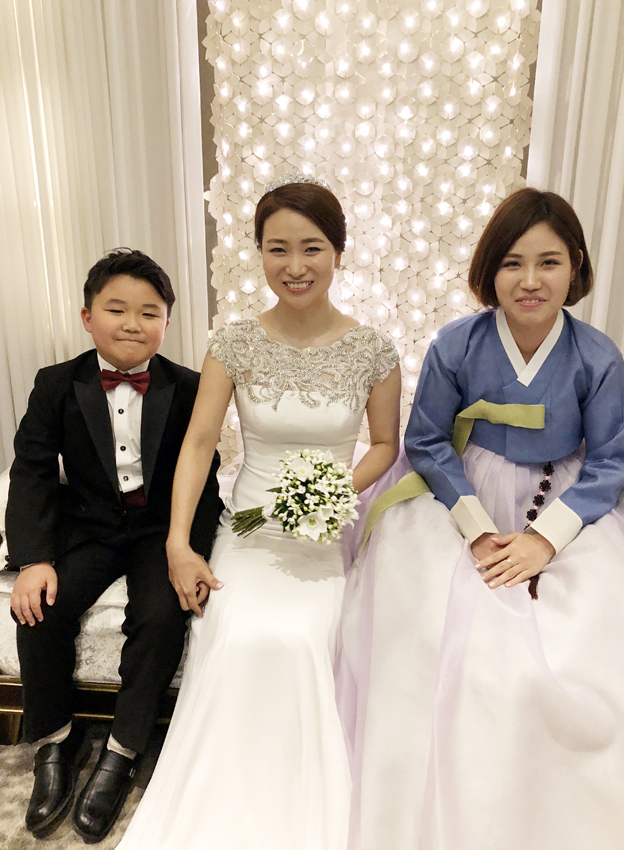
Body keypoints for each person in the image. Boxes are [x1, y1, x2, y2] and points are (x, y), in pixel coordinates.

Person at [116, 171, 401, 850]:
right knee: (243, 632)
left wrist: (333, 493)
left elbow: (386, 445)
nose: (294, 266)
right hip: (246, 531)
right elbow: (200, 444)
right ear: (260, 254)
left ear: (338, 253)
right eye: (278, 249)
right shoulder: (234, 342)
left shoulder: (372, 349)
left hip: (324, 534)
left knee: (299, 638)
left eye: (311, 248)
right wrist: (179, 544)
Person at [340, 188, 624, 849]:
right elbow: (427, 441)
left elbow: (611, 462)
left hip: (563, 501)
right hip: (457, 492)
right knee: (423, 633)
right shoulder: (456, 344)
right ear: (489, 269)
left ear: (576, 267)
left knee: (578, 646)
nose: (530, 281)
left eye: (549, 262)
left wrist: (544, 541)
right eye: (512, 263)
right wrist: (475, 527)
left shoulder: (598, 356)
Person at [6, 249, 222, 842]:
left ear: (167, 322)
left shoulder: (189, 387)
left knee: (161, 616)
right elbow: (31, 471)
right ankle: (54, 739)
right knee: (39, 609)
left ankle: (123, 749)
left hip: (160, 530)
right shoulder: (56, 383)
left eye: (149, 313)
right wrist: (33, 559)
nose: (133, 324)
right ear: (87, 316)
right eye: (117, 309)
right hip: (89, 527)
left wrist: (189, 549)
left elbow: (204, 480)